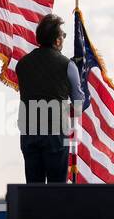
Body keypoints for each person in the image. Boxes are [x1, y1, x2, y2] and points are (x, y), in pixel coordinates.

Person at [16, 13, 83, 183]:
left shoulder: (22, 64)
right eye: (63, 35)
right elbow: (77, 104)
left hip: (29, 132)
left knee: (33, 187)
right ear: (57, 40)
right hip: (56, 134)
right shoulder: (68, 65)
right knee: (57, 190)